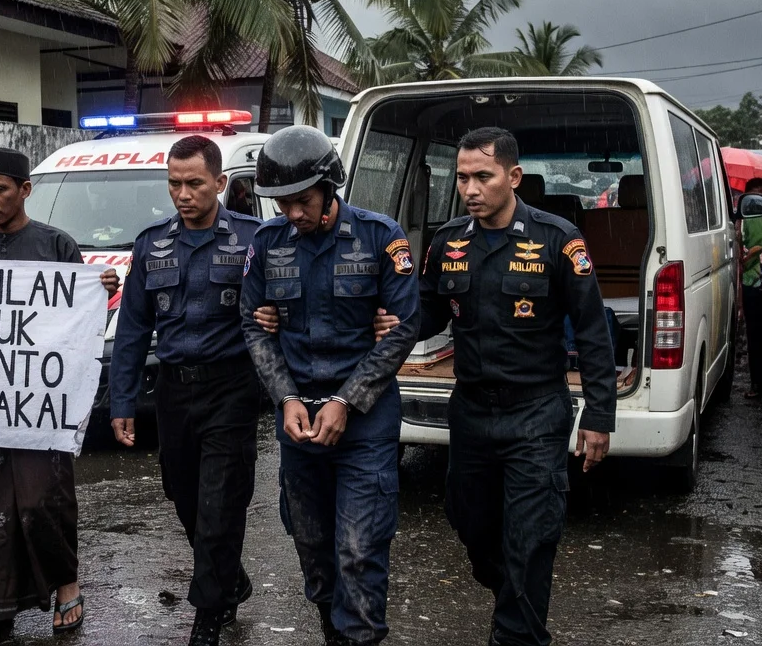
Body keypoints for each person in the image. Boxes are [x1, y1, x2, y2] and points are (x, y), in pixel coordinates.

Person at [418, 127, 615, 646]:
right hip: (471, 413)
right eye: (462, 178)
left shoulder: (558, 239)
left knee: (529, 540)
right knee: (471, 525)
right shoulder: (447, 242)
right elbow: (426, 312)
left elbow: (594, 332)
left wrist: (599, 416)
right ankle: (516, 596)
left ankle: (517, 632)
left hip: (536, 415)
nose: (470, 188)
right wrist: (371, 316)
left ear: (514, 177)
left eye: (483, 176)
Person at [240, 125, 420, 646]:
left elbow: (401, 330)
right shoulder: (267, 244)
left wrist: (346, 401)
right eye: (282, 204)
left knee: (359, 549)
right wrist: (286, 398)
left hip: (365, 423)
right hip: (298, 424)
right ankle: (333, 630)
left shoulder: (382, 238)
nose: (293, 214)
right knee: (314, 549)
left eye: (303, 201)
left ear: (329, 187)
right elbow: (254, 326)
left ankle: (358, 637)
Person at [0, 148, 119, 639]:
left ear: (25, 190)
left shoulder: (56, 245)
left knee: (43, 498)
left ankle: (66, 586)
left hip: (39, 407)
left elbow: (79, 328)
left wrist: (97, 289)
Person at [109, 136, 264, 646]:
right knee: (184, 497)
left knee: (221, 503)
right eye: (174, 183)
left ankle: (207, 616)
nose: (182, 193)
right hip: (174, 393)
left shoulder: (252, 240)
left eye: (194, 183)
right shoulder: (152, 244)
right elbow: (132, 328)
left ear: (220, 183)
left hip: (231, 389)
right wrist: (123, 401)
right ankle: (229, 577)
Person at [740, 177, 762, 398]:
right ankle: (757, 383)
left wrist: (753, 251)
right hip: (750, 282)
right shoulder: (743, 219)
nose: (759, 196)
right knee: (754, 335)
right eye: (754, 193)